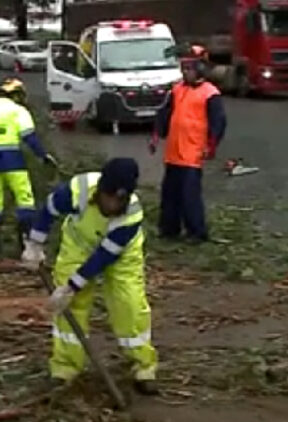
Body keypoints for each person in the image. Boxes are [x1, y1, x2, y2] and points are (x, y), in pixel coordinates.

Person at [24, 158, 159, 395]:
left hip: (121, 256)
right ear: (101, 190)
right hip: (78, 245)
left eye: (119, 200)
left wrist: (71, 286)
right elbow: (48, 210)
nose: (112, 204)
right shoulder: (79, 189)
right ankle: (65, 368)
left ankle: (143, 366)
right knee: (71, 307)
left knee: (129, 304)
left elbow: (103, 258)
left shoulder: (131, 216)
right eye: (109, 197)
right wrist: (35, 244)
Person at [0, 77, 58, 260]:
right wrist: (43, 156)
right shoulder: (18, 111)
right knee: (24, 201)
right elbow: (30, 138)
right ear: (16, 95)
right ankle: (27, 247)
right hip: (13, 162)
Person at [149, 44, 227, 243]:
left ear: (200, 69)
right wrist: (157, 135)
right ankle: (169, 229)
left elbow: (218, 122)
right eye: (183, 68)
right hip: (174, 151)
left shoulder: (210, 93)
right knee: (170, 193)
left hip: (192, 153)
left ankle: (197, 231)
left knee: (189, 195)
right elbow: (164, 114)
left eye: (189, 68)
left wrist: (211, 145)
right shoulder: (177, 90)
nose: (185, 72)